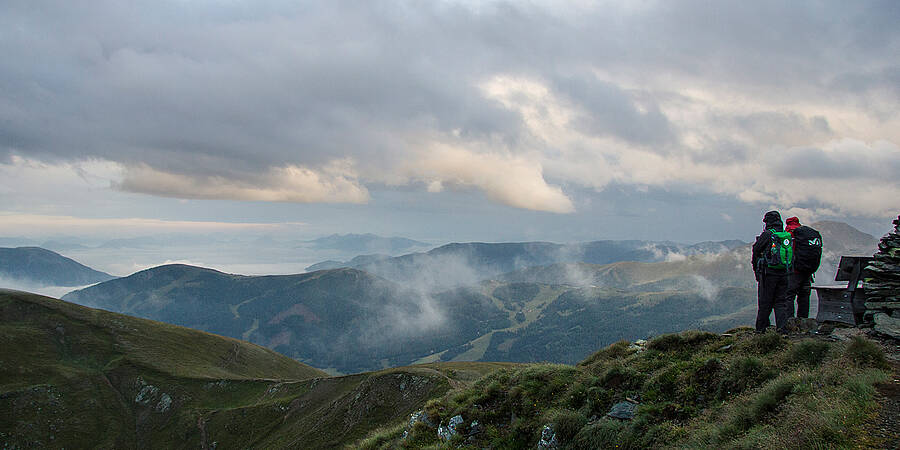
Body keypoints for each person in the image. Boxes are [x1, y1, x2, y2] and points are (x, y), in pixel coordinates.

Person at [751, 211, 792, 333]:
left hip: (769, 273)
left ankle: (761, 330)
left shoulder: (768, 234)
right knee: (781, 302)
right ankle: (782, 329)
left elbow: (756, 249)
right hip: (784, 273)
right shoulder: (785, 234)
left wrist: (756, 271)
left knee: (765, 301)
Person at [784, 216, 822, 319]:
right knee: (804, 297)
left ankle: (789, 321)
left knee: (788, 296)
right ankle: (803, 321)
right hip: (808, 271)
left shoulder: (790, 233)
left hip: (794, 271)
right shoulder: (806, 234)